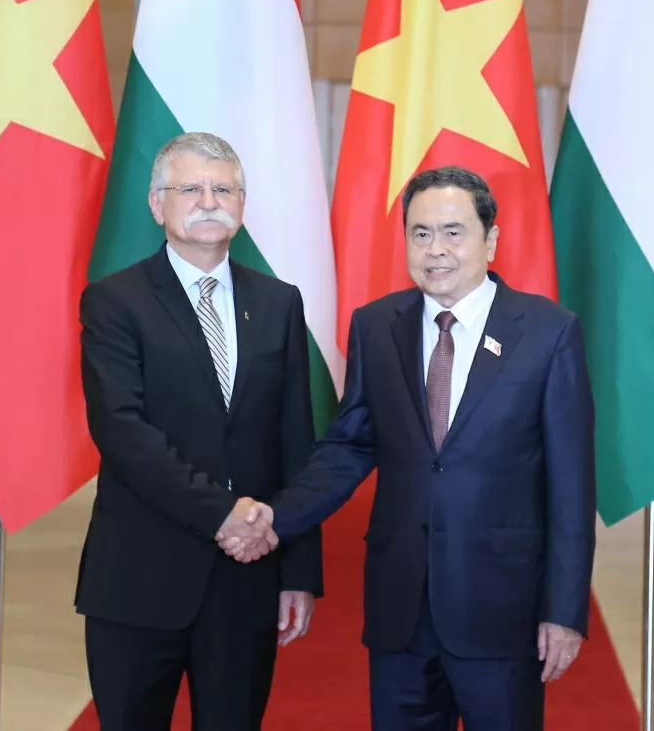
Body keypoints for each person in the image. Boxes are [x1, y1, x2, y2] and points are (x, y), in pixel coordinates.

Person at [221, 166, 596, 731]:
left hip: (502, 608)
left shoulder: (548, 332)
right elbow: (349, 445)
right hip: (400, 608)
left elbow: (571, 486)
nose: (436, 250)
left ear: (490, 240)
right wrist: (278, 515)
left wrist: (564, 612)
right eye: (421, 234)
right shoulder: (377, 326)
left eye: (453, 232)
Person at [74, 131, 322, 730]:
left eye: (224, 188)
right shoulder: (114, 302)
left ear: (241, 204)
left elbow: (295, 439)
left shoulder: (279, 303)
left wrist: (298, 571)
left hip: (247, 580)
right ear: (158, 205)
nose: (209, 200)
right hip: (140, 576)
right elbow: (123, 431)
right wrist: (223, 514)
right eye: (190, 188)